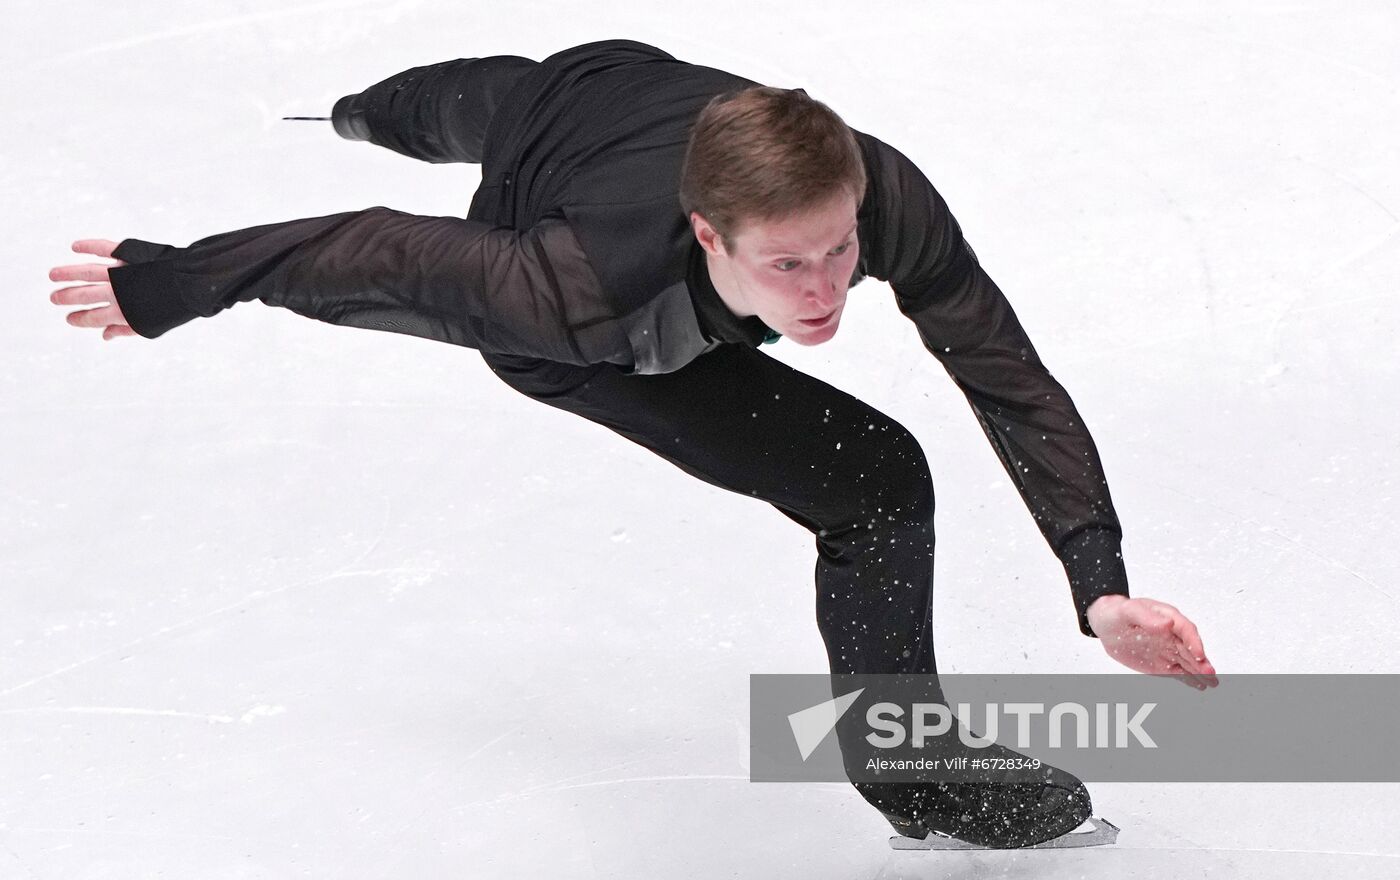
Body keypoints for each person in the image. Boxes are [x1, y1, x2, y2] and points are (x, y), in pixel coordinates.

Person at [49, 39, 1216, 847]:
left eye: (838, 250)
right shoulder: (565, 290)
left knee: (501, 100)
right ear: (710, 232)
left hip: (608, 88)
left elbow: (1002, 370)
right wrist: (167, 283)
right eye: (788, 264)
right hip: (581, 272)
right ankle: (909, 771)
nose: (827, 292)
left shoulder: (878, 196)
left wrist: (1095, 581)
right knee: (440, 110)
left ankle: (905, 760)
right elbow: (359, 254)